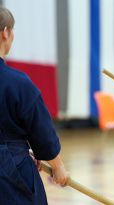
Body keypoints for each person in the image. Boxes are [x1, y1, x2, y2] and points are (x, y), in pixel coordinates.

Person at [0, 7, 68, 204]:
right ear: (6, 32)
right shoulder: (17, 83)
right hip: (10, 171)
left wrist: (20, 148)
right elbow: (41, 133)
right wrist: (58, 166)